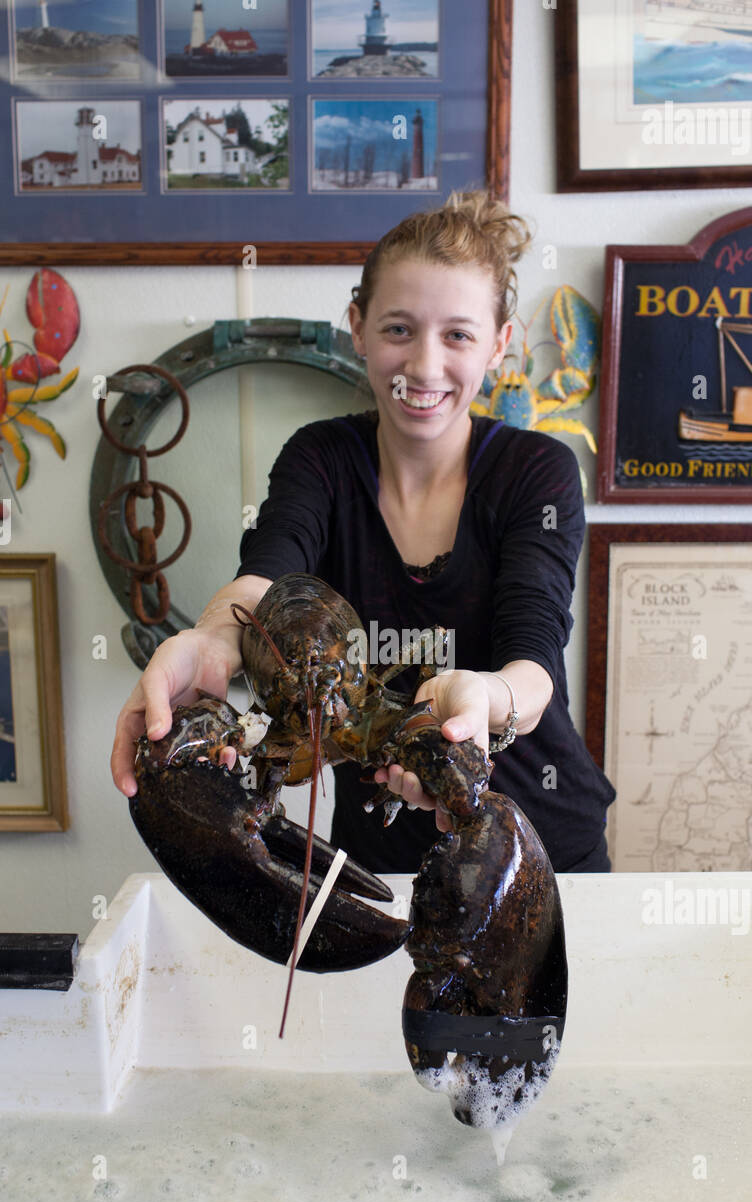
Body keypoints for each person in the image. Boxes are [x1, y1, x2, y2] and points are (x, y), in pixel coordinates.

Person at [111, 189, 616, 873]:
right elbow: (267, 573)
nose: (425, 366)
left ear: (499, 343)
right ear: (357, 325)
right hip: (374, 865)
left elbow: (534, 659)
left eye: (457, 335)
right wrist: (208, 641)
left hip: (536, 848)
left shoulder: (537, 472)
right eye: (399, 329)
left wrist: (484, 705)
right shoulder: (320, 458)